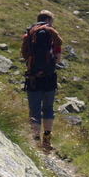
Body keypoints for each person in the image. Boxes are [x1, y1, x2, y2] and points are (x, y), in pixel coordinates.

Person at [20, 9, 62, 151]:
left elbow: (25, 55)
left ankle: (35, 141)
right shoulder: (52, 34)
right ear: (49, 20)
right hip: (49, 77)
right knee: (48, 108)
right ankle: (47, 141)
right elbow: (58, 59)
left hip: (33, 78)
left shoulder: (29, 34)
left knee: (35, 110)